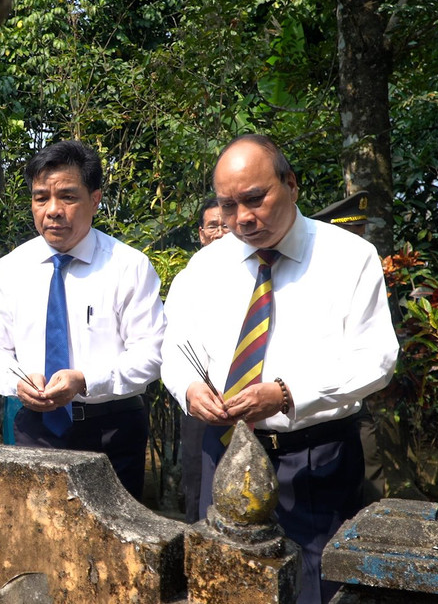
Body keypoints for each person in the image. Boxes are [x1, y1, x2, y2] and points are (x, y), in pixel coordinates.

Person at [161, 134, 398, 604]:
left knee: (315, 584)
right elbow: (175, 347)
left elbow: (376, 358)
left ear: (290, 184)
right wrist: (189, 388)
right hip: (225, 452)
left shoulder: (348, 258)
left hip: (315, 458)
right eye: (228, 206)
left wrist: (288, 393)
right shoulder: (205, 266)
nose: (242, 218)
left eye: (255, 198)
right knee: (225, 580)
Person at [0, 140, 166, 499]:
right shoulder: (11, 269)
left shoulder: (128, 267)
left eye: (67, 197)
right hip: (36, 428)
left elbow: (152, 353)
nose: (53, 210)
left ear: (95, 200)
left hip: (111, 430)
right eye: (40, 198)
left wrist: (85, 381)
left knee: (114, 548)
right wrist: (17, 380)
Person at [309, 190, 388, 506]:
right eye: (350, 234)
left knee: (367, 472)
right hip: (310, 401)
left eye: (360, 233)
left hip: (354, 392)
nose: (359, 243)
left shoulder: (364, 267)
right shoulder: (306, 274)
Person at [179, 196, 231, 522]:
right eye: (213, 226)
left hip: (244, 398)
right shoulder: (191, 277)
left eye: (226, 225)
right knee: (197, 474)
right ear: (201, 233)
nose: (220, 232)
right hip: (200, 396)